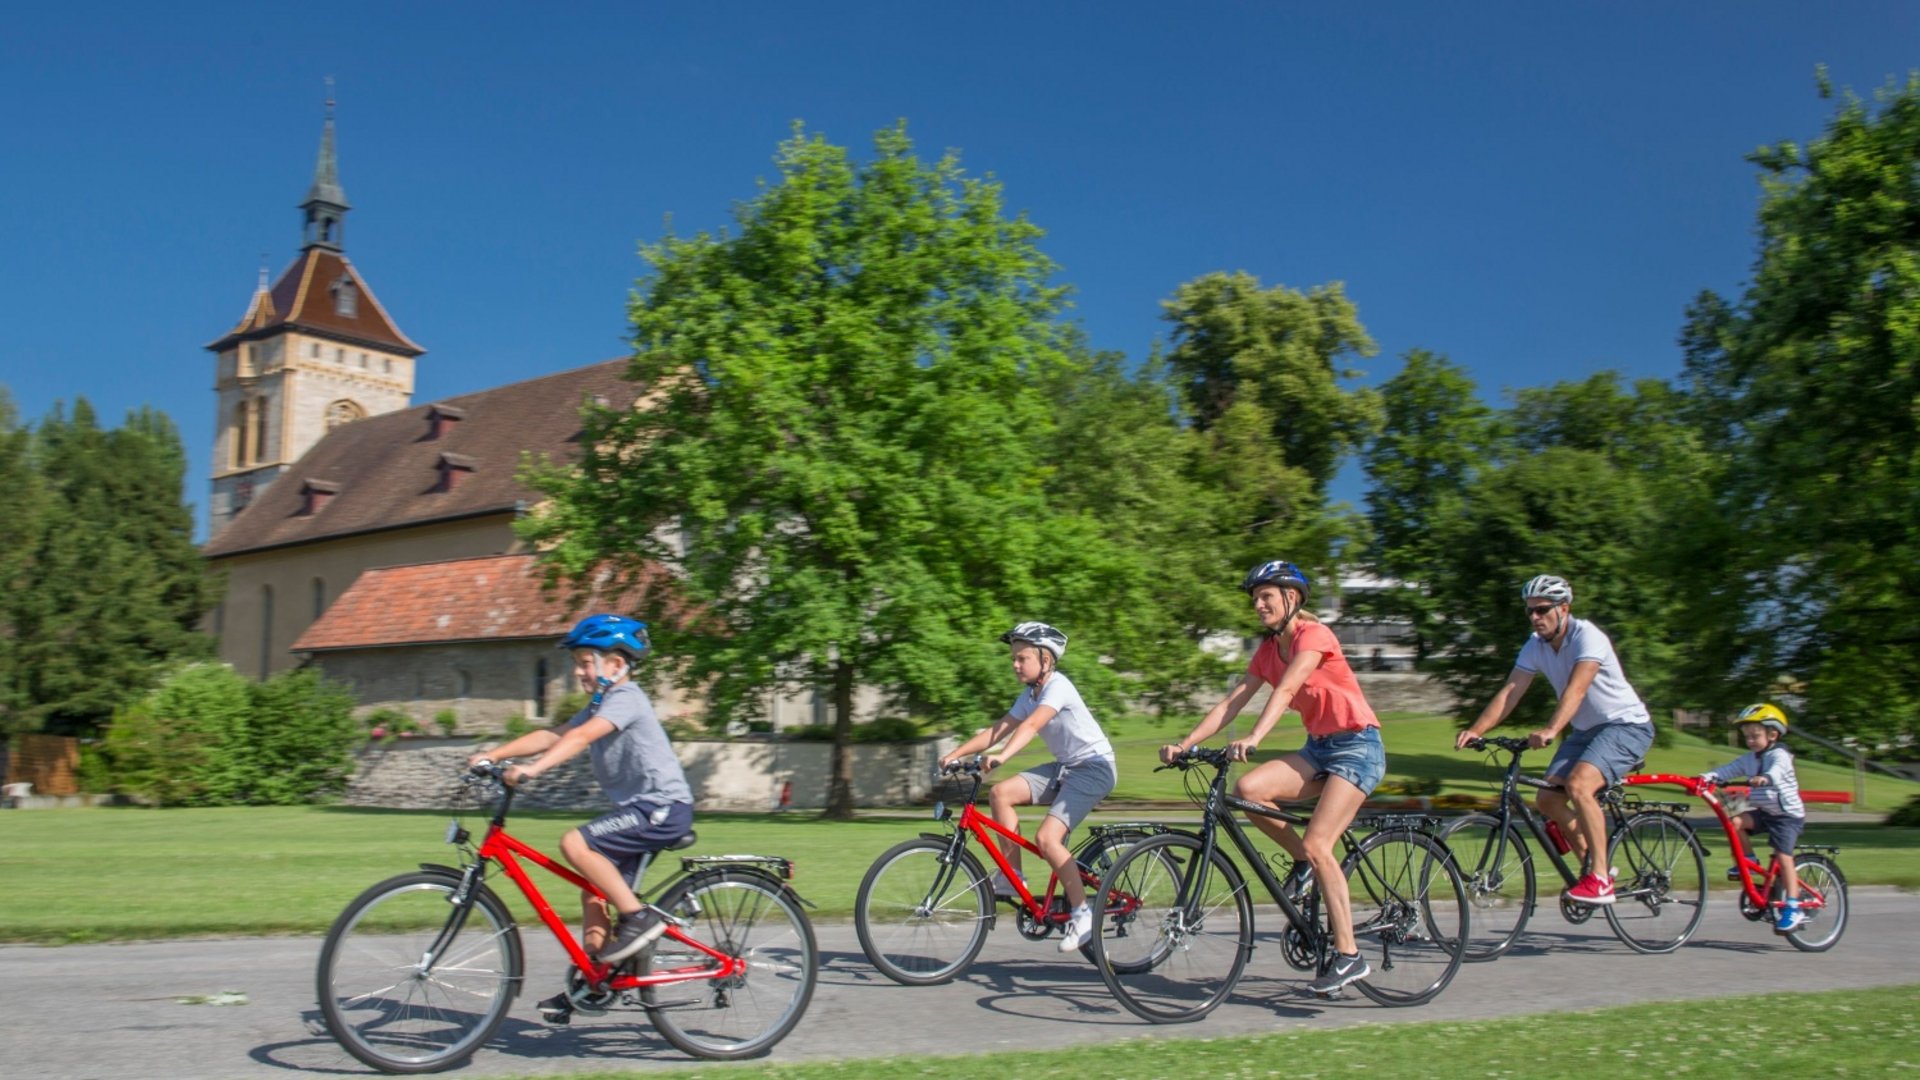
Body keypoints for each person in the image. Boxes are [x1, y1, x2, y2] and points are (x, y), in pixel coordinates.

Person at [1161, 560, 1387, 996]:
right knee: (1249, 790)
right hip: (1319, 748)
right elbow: (1232, 702)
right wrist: (1185, 743)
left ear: (1292, 597)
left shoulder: (1314, 635)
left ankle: (1349, 955)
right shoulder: (1267, 650)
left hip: (1358, 747)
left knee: (1322, 843)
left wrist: (1254, 737)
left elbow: (1285, 690)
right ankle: (1303, 861)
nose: (1258, 605)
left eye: (1266, 596)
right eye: (1254, 599)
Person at [468, 613, 695, 1023]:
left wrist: (533, 770)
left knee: (576, 843)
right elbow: (555, 733)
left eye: (586, 661)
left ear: (617, 664)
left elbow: (580, 738)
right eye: (579, 662)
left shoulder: (626, 698)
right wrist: (495, 755)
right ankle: (594, 980)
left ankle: (639, 920)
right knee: (593, 892)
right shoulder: (600, 702)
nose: (578, 671)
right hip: (637, 811)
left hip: (662, 807)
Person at [1454, 575, 1654, 906]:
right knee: (1547, 799)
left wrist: (1550, 730)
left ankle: (1601, 880)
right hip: (1587, 731)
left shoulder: (1588, 637)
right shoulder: (1535, 645)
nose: (1535, 617)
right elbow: (1511, 692)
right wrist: (1477, 730)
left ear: (1564, 609)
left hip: (1625, 726)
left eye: (1543, 610)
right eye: (1530, 611)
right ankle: (1594, 863)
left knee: (1578, 786)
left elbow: (1577, 689)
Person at [939, 622, 1117, 953]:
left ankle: (1082, 915)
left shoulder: (1057, 687)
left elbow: (1033, 725)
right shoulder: (1030, 693)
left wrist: (1002, 756)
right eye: (1014, 658)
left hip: (1093, 768)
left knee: (1046, 838)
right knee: (1000, 793)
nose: (1015, 664)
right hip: (1066, 767)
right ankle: (1012, 876)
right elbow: (999, 728)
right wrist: (956, 752)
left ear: (1045, 661)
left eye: (1022, 658)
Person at [1698, 703, 1807, 932]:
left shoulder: (1781, 755)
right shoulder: (1749, 759)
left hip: (1787, 816)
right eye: (1746, 737)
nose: (1750, 741)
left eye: (1755, 736)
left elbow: (1777, 770)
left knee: (1783, 856)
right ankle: (1749, 860)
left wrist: (1765, 777)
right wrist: (1705, 778)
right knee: (1734, 820)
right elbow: (1727, 770)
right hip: (1764, 812)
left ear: (1773, 734)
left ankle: (1793, 906)